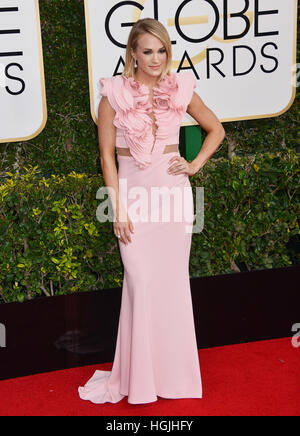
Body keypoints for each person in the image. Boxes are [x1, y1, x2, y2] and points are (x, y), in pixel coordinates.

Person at [78, 18, 225, 404]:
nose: (156, 58)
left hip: (173, 196)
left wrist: (193, 165)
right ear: (133, 54)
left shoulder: (179, 89)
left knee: (172, 287)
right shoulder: (113, 96)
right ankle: (139, 379)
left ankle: (173, 378)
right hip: (134, 199)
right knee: (140, 283)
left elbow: (216, 130)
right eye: (148, 51)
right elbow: (107, 158)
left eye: (162, 50)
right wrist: (116, 207)